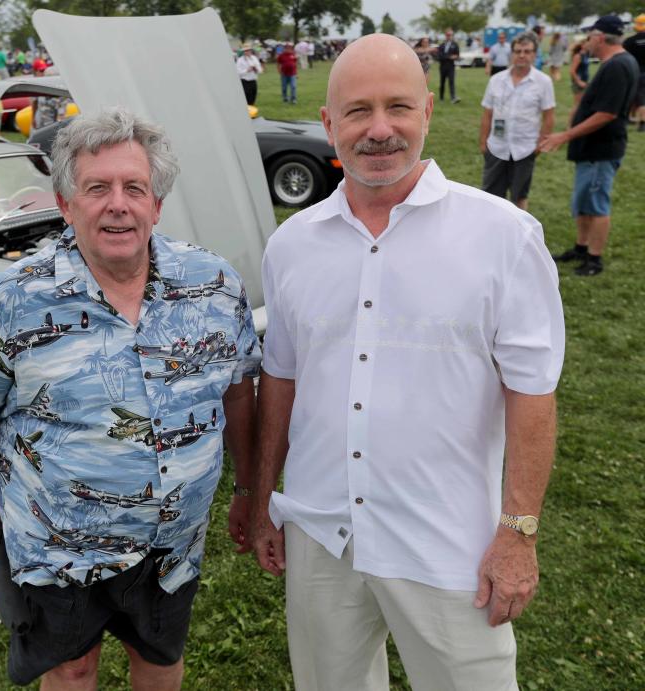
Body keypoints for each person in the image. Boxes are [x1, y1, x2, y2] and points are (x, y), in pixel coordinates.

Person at [251, 33, 565, 691]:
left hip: (446, 541)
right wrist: (260, 499)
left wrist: (519, 532)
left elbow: (533, 392)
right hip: (321, 532)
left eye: (398, 107)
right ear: (329, 124)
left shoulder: (502, 236)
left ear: (426, 111)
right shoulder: (291, 245)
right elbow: (280, 378)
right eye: (358, 111)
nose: (380, 129)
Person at [0, 107, 261, 689]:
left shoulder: (213, 285)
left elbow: (237, 394)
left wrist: (249, 489)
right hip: (57, 547)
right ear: (65, 203)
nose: (118, 204)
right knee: (72, 667)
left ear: (157, 205)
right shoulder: (11, 300)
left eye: (135, 188)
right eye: (97, 188)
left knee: (159, 658)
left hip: (172, 544)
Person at [540, 15, 641, 276]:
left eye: (590, 36)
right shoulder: (618, 62)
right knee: (584, 201)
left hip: (601, 150)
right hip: (593, 150)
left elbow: (606, 113)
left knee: (596, 204)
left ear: (600, 37)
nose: (587, 42)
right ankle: (581, 248)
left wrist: (565, 135)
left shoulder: (617, 65)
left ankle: (594, 259)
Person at [479, 32, 555, 210]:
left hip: (525, 149)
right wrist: (483, 143)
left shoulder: (543, 82)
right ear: (511, 53)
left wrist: (540, 144)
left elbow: (549, 116)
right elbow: (487, 113)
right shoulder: (496, 80)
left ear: (535, 54)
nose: (522, 55)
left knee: (519, 196)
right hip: (496, 147)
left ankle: (520, 235)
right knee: (491, 197)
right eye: (518, 51)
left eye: (527, 51)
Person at [624, 14, 645, 132]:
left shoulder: (630, 41)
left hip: (637, 71)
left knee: (639, 97)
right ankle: (629, 117)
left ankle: (643, 122)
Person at [568, 38, 590, 123]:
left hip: (585, 82)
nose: (588, 45)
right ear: (582, 45)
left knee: (582, 104)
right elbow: (572, 71)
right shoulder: (578, 56)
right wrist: (579, 82)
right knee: (577, 105)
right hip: (578, 83)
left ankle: (579, 122)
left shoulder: (585, 54)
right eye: (586, 43)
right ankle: (569, 125)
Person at [437, 28, 461, 103]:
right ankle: (441, 98)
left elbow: (457, 56)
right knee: (442, 82)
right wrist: (449, 57)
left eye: (450, 35)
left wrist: (447, 56)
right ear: (445, 35)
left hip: (451, 66)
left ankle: (453, 98)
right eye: (448, 35)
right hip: (443, 66)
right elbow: (439, 56)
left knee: (451, 82)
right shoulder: (441, 45)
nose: (449, 36)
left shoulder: (455, 45)